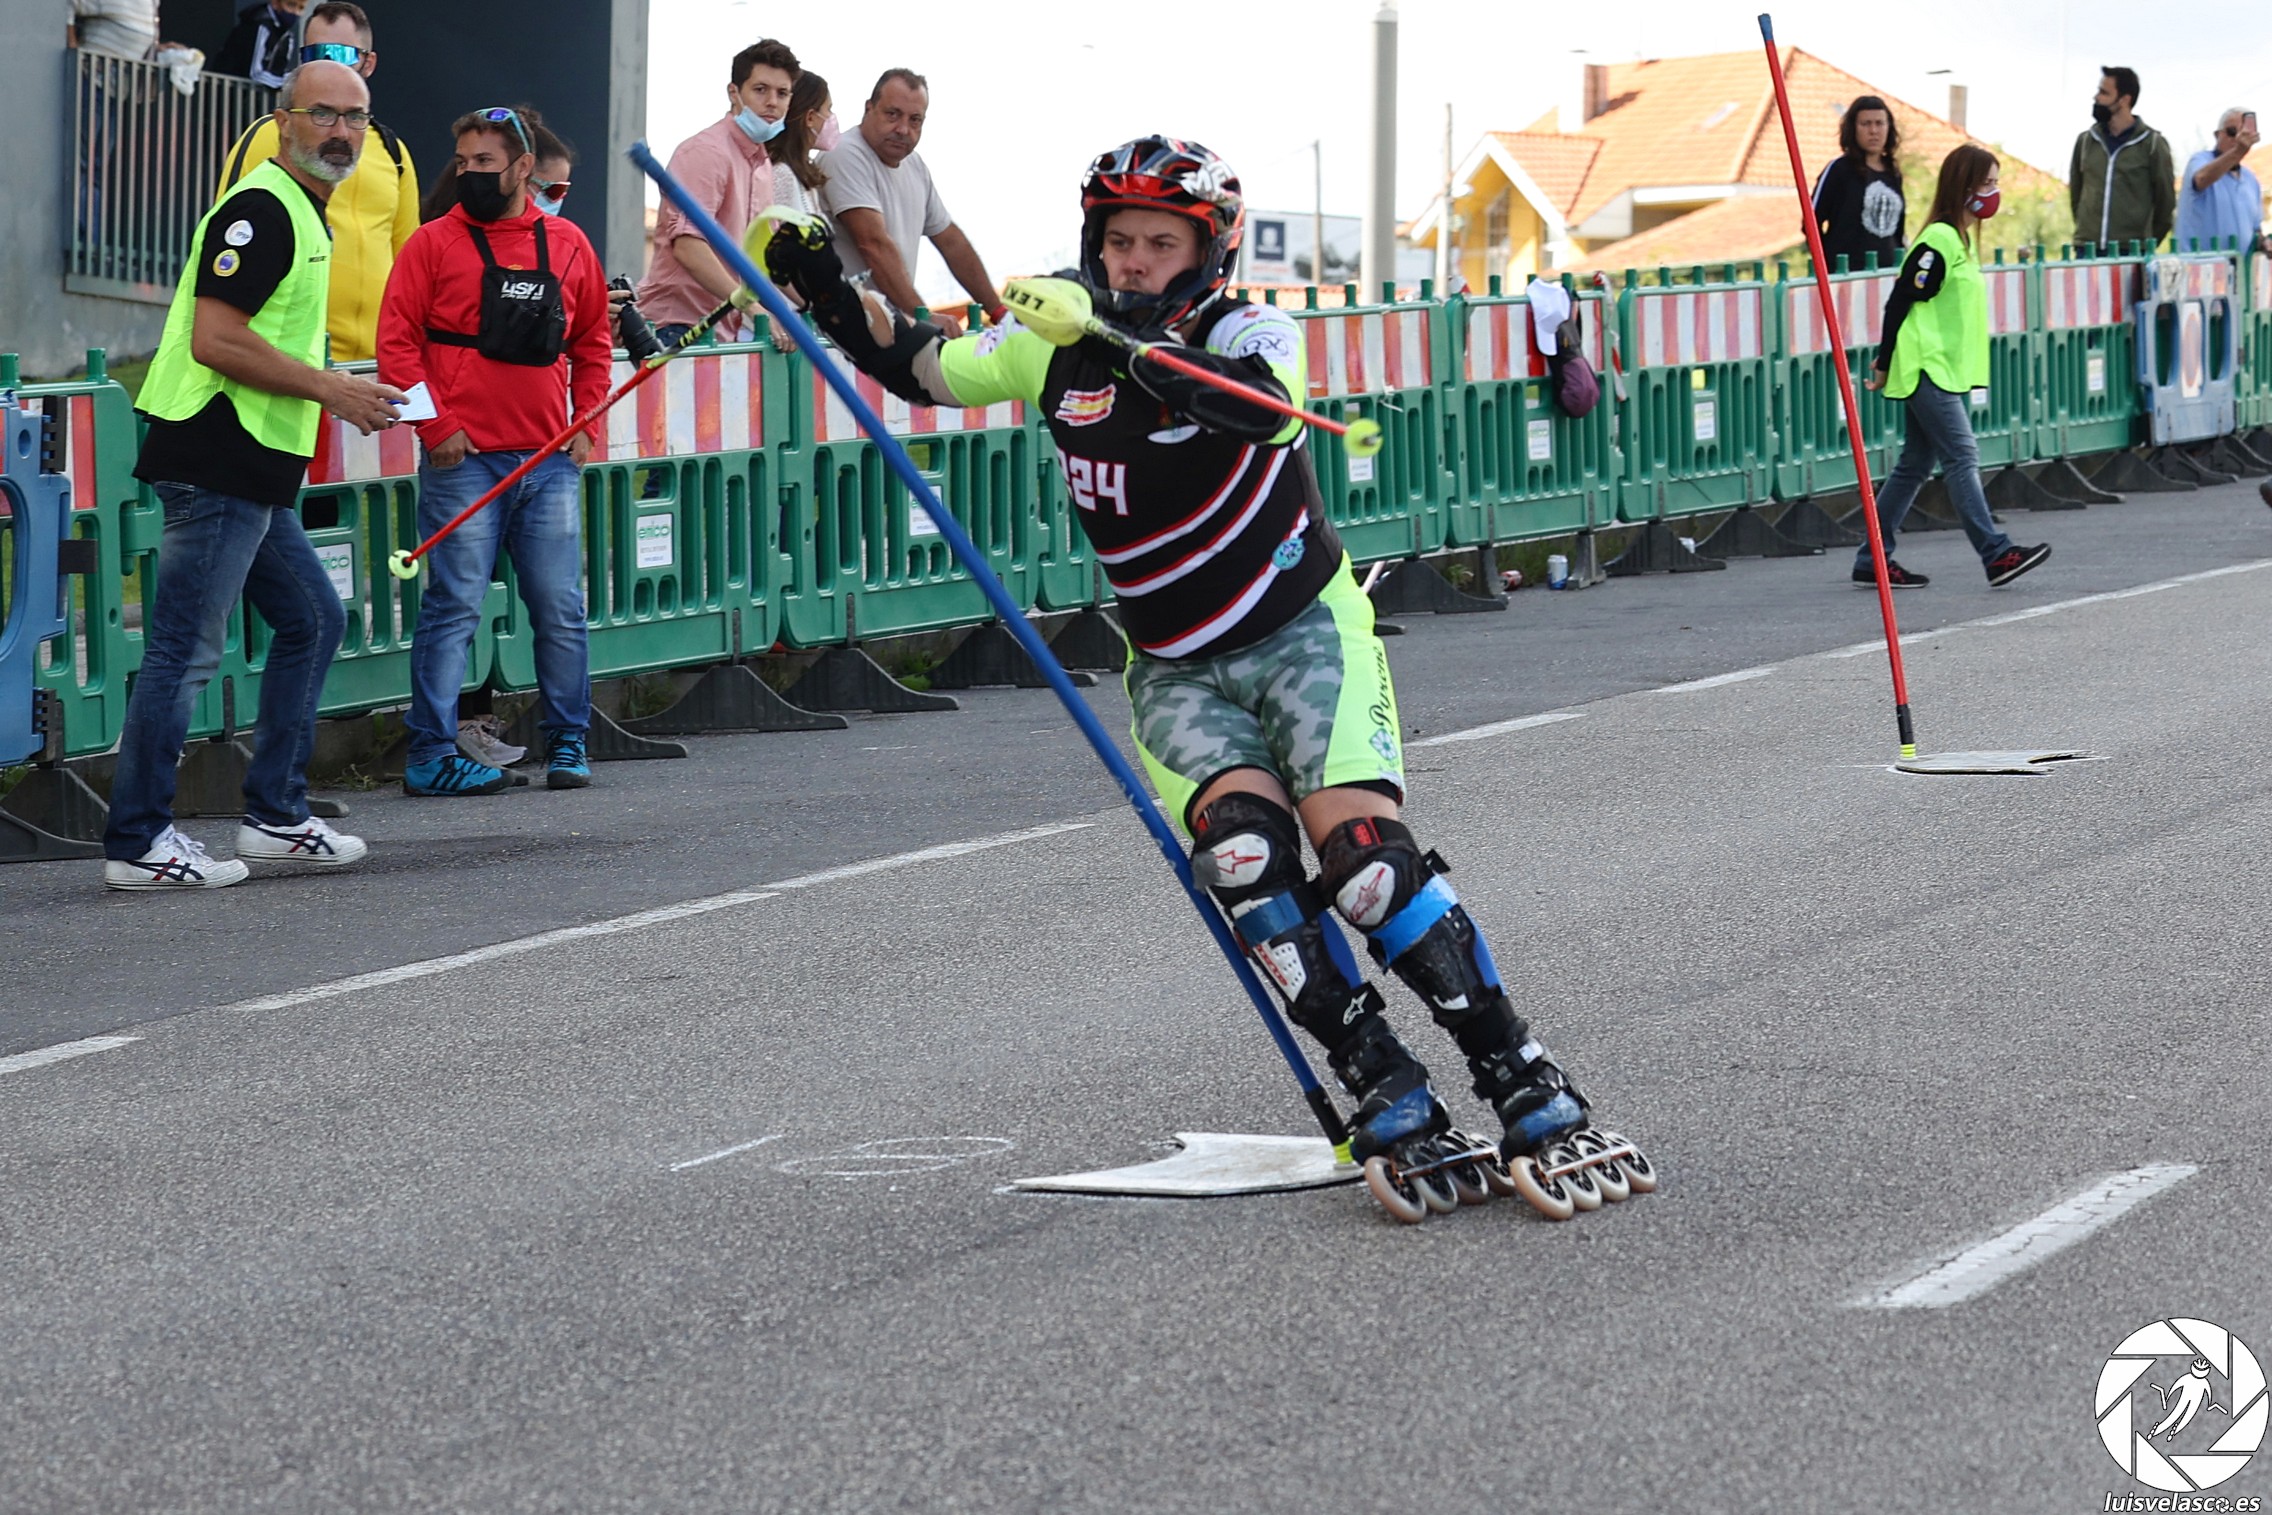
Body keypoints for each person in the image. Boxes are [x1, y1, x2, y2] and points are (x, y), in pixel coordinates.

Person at [761, 136, 1599, 1175]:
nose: (1136, 260)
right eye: (1119, 240)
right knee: (1244, 861)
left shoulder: (1248, 329)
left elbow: (1253, 408)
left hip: (1302, 634)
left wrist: (1115, 336)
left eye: (1162, 243)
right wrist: (819, 283)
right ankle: (1380, 1077)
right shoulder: (1052, 341)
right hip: (1174, 665)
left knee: (1366, 868)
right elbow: (921, 366)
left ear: (1208, 250)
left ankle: (1518, 1069)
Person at [103, 61, 399, 889]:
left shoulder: (302, 209)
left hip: (250, 463)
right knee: (184, 650)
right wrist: (330, 388)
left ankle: (275, 816)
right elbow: (216, 340)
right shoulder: (262, 210)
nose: (341, 132)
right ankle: (138, 842)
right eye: (323, 114)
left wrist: (331, 386)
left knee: (313, 619)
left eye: (356, 119)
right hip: (217, 456)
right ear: (281, 121)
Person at [378, 105, 613, 797]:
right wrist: (437, 427)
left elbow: (593, 343)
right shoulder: (430, 245)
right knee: (453, 605)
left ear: (522, 168)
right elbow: (397, 344)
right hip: (464, 462)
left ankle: (568, 739)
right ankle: (430, 751)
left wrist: (586, 423)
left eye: (484, 162)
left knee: (559, 606)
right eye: (463, 161)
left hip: (547, 462)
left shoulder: (568, 243)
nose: (469, 173)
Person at [1856, 143, 2051, 591]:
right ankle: (1996, 553)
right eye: (1987, 183)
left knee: (1914, 464)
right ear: (1963, 186)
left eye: (1996, 183)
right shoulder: (1939, 240)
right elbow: (1900, 300)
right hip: (1926, 365)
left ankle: (1872, 559)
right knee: (1962, 456)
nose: (1994, 193)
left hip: (1943, 368)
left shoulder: (1961, 241)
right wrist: (1885, 360)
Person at [218, 3, 417, 362]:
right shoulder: (268, 134)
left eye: (339, 54)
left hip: (376, 362)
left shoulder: (394, 153)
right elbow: (224, 240)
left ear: (368, 63)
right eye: (313, 55)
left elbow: (408, 262)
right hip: (289, 360)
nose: (326, 65)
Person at [635, 38, 800, 347]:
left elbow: (769, 255)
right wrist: (753, 308)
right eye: (760, 89)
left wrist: (817, 304)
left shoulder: (762, 164)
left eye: (782, 93)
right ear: (734, 93)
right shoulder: (706, 152)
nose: (772, 103)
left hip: (723, 332)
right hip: (678, 328)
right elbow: (687, 246)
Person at [818, 69, 1003, 338]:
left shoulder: (914, 165)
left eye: (915, 120)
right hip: (845, 334)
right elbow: (873, 244)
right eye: (893, 114)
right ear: (869, 108)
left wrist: (999, 312)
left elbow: (951, 241)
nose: (903, 129)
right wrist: (923, 316)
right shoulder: (845, 153)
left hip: (887, 330)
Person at [2070, 66, 2176, 253]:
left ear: (2124, 99)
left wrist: (2147, 243)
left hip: (2131, 250)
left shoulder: (2152, 144)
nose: (2096, 98)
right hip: (2088, 249)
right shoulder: (2086, 141)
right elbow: (2076, 192)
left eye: (2104, 93)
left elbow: (2165, 202)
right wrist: (2086, 230)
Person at [1812, 96, 1905, 272]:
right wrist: (1827, 262)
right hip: (1846, 274)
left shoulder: (1893, 172)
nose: (1873, 131)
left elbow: (1898, 229)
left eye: (1879, 123)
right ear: (1853, 128)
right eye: (1866, 124)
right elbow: (1811, 222)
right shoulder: (1838, 170)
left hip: (1888, 272)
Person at [2176, 108, 2264, 253]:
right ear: (2218, 135)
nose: (2238, 139)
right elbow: (2201, 179)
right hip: (2200, 263)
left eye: (2244, 133)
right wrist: (2238, 151)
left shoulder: (2251, 180)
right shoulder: (2201, 160)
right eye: (2232, 132)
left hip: (2239, 265)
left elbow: (2255, 230)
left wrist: (2265, 243)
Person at [214, 0, 304, 90]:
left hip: (248, 94)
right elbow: (255, 74)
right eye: (291, 5)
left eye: (301, 8)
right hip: (226, 91)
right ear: (275, 3)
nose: (295, 12)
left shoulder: (287, 36)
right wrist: (286, 82)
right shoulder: (259, 25)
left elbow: (279, 70)